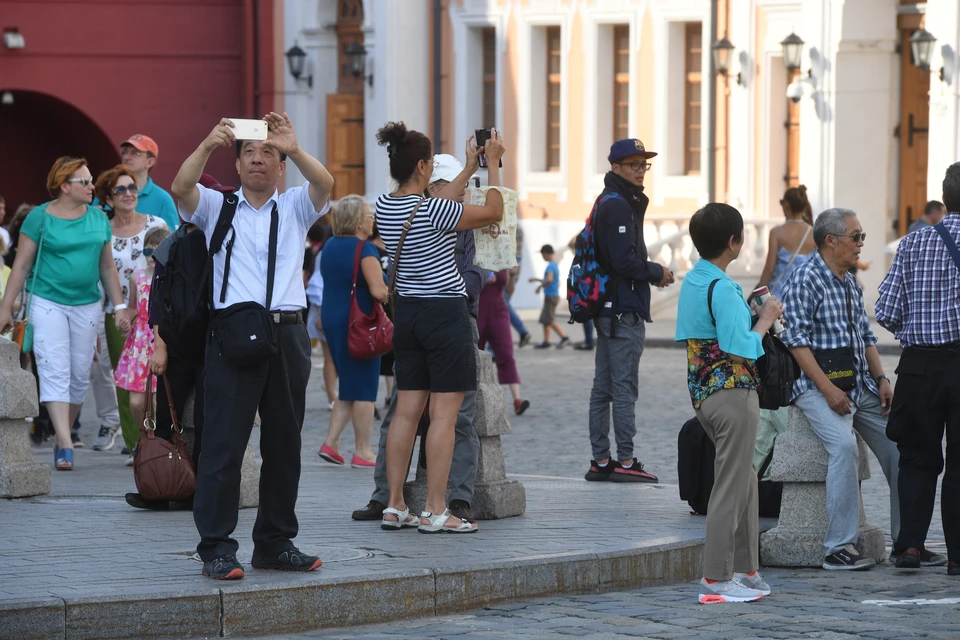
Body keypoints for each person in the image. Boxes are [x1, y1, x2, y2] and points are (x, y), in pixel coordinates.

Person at [171, 112, 333, 580]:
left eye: (268, 154)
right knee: (223, 444)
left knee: (284, 445)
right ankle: (217, 547)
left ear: (281, 167)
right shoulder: (216, 206)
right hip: (232, 333)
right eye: (250, 153)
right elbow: (182, 187)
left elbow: (326, 183)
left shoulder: (297, 206)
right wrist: (207, 143)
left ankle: (275, 542)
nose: (259, 160)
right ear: (237, 165)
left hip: (287, 333)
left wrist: (295, 146)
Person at [373, 122, 503, 533]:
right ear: (425, 166)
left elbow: (431, 206)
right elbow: (494, 211)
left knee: (405, 414)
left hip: (407, 313)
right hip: (445, 313)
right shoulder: (436, 210)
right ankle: (434, 509)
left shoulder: (384, 205)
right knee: (444, 416)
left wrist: (466, 169)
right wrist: (492, 166)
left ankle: (395, 505)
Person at [779, 208, 900, 571]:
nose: (862, 243)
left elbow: (865, 336)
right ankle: (838, 548)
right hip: (817, 386)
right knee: (844, 446)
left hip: (859, 383)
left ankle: (908, 541)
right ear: (831, 241)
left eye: (861, 236)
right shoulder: (805, 279)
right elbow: (796, 343)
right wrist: (829, 390)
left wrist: (881, 379)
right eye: (856, 236)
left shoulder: (848, 279)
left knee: (899, 445)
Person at [675, 202, 782, 604]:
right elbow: (740, 347)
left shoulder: (696, 280)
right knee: (732, 486)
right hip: (732, 393)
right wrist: (766, 318)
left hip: (705, 395)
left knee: (745, 480)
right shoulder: (721, 286)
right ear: (734, 242)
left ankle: (746, 568)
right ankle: (716, 580)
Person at [0, 157, 129, 471]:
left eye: (91, 181)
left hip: (87, 304)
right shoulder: (40, 218)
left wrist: (120, 306)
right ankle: (66, 441)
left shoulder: (99, 219)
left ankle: (61, 435)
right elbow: (21, 265)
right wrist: (6, 306)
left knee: (79, 373)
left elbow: (107, 266)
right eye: (84, 182)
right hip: (47, 302)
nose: (91, 187)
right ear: (64, 186)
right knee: (54, 365)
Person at [125, 174, 234, 512]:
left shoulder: (226, 239)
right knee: (164, 421)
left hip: (215, 341)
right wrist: (159, 344)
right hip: (177, 342)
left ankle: (194, 489)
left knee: (205, 420)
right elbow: (156, 299)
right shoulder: (171, 245)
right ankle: (159, 486)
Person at [876, 162, 960, 575]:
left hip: (919, 367)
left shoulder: (913, 242)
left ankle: (910, 546)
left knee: (915, 459)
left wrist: (921, 323)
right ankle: (958, 555)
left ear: (944, 199)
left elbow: (886, 311)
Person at [583, 139, 673, 484]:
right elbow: (622, 261)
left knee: (603, 387)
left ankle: (601, 460)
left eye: (643, 165)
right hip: (622, 311)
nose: (640, 171)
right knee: (622, 388)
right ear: (615, 167)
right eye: (633, 164)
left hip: (609, 310)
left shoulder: (611, 201)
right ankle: (624, 459)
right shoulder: (619, 205)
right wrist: (656, 272)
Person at [95, 164, 169, 462]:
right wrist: (118, 309)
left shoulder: (156, 223)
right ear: (109, 198)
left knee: (155, 387)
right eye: (120, 189)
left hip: (157, 317)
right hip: (118, 312)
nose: (129, 193)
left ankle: (159, 441)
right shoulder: (102, 230)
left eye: (132, 187)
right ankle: (134, 443)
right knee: (127, 383)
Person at [316, 195, 386, 468]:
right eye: (369, 215)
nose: (373, 219)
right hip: (359, 323)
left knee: (349, 385)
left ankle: (331, 443)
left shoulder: (330, 245)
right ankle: (363, 450)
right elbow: (379, 291)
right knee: (365, 388)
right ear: (359, 222)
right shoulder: (365, 250)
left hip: (333, 319)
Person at [114, 226, 169, 433]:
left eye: (157, 252)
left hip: (159, 341)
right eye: (147, 252)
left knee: (157, 401)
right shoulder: (137, 278)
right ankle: (145, 437)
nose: (151, 257)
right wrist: (125, 318)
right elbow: (132, 307)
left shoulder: (169, 278)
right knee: (137, 402)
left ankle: (162, 442)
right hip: (139, 343)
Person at [479, 269, 530, 415]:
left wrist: (513, 275)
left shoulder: (502, 255)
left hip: (498, 310)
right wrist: (481, 279)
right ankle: (474, 400)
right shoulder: (473, 251)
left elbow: (509, 291)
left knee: (507, 354)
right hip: (477, 309)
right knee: (475, 354)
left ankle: (517, 400)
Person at [754, 185, 816, 299]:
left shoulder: (777, 232)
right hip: (805, 296)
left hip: (779, 297)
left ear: (786, 205)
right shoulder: (813, 233)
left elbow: (769, 268)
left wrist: (758, 295)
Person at [305, 230, 338, 410]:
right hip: (326, 309)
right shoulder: (326, 253)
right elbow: (317, 285)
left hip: (332, 309)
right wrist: (320, 314)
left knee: (333, 358)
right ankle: (332, 396)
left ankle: (332, 391)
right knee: (330, 358)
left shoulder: (325, 251)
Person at [118, 134, 180, 230]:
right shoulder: (107, 192)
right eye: (125, 152)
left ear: (150, 162)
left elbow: (173, 240)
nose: (127, 157)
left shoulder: (163, 199)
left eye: (135, 153)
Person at [529, 244, 569, 349]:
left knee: (549, 319)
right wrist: (537, 280)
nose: (543, 257)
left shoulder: (550, 266)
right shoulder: (554, 265)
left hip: (551, 296)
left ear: (546, 254)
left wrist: (539, 287)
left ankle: (564, 337)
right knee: (546, 319)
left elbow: (549, 279)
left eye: (543, 255)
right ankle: (546, 340)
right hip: (552, 295)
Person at [505, 225, 530, 347]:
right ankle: (522, 331)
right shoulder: (516, 226)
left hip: (508, 271)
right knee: (503, 305)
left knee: (502, 306)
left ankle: (522, 331)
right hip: (512, 271)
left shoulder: (511, 226)